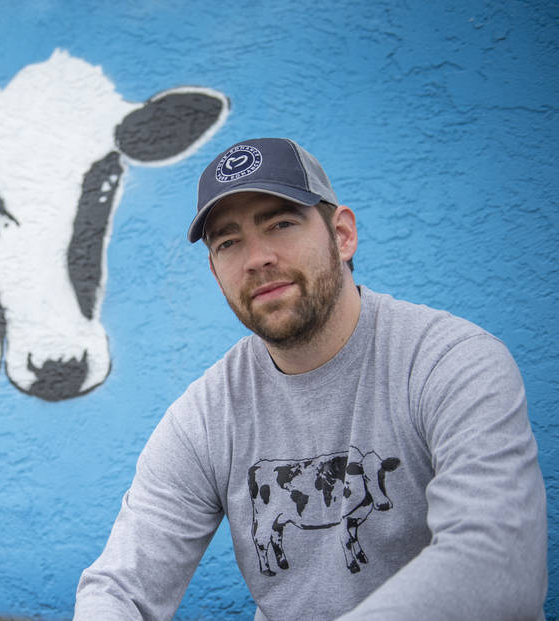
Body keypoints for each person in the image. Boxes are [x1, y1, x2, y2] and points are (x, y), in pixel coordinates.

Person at [73, 138, 548, 620]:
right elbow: (119, 588)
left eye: (280, 223)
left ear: (342, 235)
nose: (257, 258)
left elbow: (498, 564)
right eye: (229, 242)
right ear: (216, 273)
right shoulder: (207, 417)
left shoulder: (450, 363)